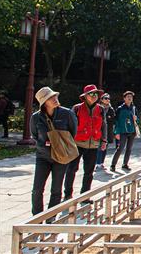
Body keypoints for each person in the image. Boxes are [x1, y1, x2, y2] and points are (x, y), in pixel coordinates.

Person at [31, 87, 76, 217]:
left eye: (55, 96)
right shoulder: (36, 117)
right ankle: (37, 218)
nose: (55, 99)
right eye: (51, 98)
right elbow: (35, 135)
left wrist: (60, 144)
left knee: (56, 189)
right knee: (37, 189)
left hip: (61, 156)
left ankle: (51, 217)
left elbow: (73, 133)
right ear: (44, 102)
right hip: (43, 157)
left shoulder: (66, 114)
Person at [64, 84, 107, 201]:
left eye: (96, 94)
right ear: (85, 95)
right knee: (72, 169)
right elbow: (69, 125)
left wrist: (104, 140)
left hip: (93, 144)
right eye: (91, 94)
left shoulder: (101, 109)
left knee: (89, 171)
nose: (94, 96)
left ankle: (85, 194)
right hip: (77, 143)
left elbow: (103, 125)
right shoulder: (77, 108)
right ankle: (68, 194)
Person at [110, 91, 138, 172]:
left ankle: (125, 164)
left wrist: (136, 119)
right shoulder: (120, 109)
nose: (129, 98)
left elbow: (136, 120)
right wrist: (117, 132)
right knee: (120, 148)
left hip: (132, 131)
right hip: (122, 131)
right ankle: (113, 165)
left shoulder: (134, 108)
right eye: (128, 96)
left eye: (131, 97)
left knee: (129, 149)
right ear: (124, 98)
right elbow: (116, 121)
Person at [95, 93, 116, 171]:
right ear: (102, 99)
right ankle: (97, 163)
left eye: (108, 99)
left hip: (108, 131)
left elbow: (113, 120)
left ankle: (102, 163)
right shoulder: (98, 108)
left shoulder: (111, 109)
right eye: (106, 98)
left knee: (105, 147)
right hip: (98, 131)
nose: (107, 100)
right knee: (99, 147)